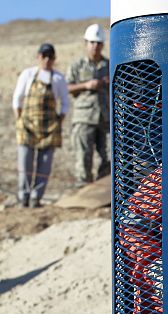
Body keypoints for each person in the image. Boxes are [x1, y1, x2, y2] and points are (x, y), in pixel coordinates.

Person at [12, 43, 70, 208]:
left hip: (49, 129)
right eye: (44, 56)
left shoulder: (58, 79)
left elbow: (65, 103)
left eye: (50, 57)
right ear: (38, 56)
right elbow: (17, 98)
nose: (47, 60)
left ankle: (36, 198)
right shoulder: (28, 75)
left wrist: (59, 122)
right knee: (25, 164)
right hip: (27, 127)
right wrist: (19, 120)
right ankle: (23, 197)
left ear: (54, 59)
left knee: (44, 166)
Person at [67, 23, 111, 185]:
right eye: (92, 43)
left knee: (110, 155)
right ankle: (84, 191)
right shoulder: (77, 66)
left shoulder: (109, 65)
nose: (95, 46)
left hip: (105, 117)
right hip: (84, 117)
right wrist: (86, 85)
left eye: (98, 43)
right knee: (83, 156)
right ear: (85, 43)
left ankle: (102, 188)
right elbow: (68, 87)